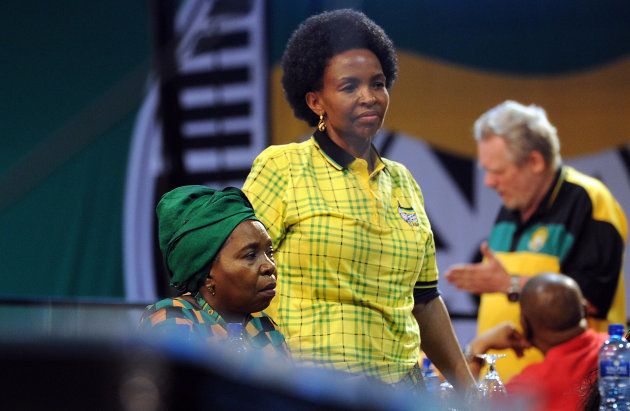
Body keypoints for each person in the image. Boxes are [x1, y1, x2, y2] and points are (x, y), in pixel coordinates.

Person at [242, 9, 474, 391]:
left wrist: (471, 393)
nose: (369, 97)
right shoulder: (282, 167)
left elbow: (426, 302)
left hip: (403, 387)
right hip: (311, 386)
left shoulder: (403, 182)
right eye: (349, 87)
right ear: (316, 101)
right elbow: (238, 273)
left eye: (378, 84)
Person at [445, 100, 627, 380]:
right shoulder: (510, 207)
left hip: (573, 389)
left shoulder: (589, 201)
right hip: (511, 390)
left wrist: (509, 283)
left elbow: (590, 298)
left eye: (498, 171)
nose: (488, 182)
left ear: (535, 161)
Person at [140, 186, 288, 358]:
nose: (269, 266)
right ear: (208, 273)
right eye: (250, 255)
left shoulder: (265, 326)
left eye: (269, 253)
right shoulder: (173, 317)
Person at [465, 273, 605, 411]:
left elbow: (463, 406)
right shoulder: (619, 350)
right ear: (585, 309)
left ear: (524, 324)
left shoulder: (525, 389)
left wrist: (478, 346)